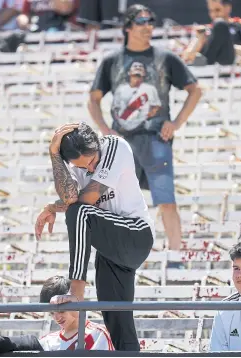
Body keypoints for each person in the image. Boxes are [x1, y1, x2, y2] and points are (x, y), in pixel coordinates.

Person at [87, 4, 202, 251]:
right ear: (127, 27)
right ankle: (115, 253)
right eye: (141, 21)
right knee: (113, 201)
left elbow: (195, 90)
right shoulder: (112, 61)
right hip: (121, 143)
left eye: (151, 21)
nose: (148, 26)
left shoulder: (165, 58)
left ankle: (175, 256)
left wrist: (176, 123)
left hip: (155, 139)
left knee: (166, 200)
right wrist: (106, 130)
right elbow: (93, 99)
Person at [34, 123, 154, 351]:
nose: (89, 168)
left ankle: (76, 294)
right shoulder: (78, 166)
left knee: (79, 212)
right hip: (112, 246)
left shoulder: (115, 146)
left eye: (91, 161)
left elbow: (84, 201)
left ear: (97, 144)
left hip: (136, 233)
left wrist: (53, 206)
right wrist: (54, 155)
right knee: (117, 321)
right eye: (81, 166)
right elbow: (70, 197)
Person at [182, 0, 241, 66]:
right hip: (210, 70)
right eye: (211, 11)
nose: (214, 14)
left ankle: (208, 62)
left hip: (233, 67)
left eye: (217, 10)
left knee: (220, 25)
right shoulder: (206, 30)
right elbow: (187, 57)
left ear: (228, 8)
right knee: (218, 25)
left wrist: (228, 48)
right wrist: (199, 40)